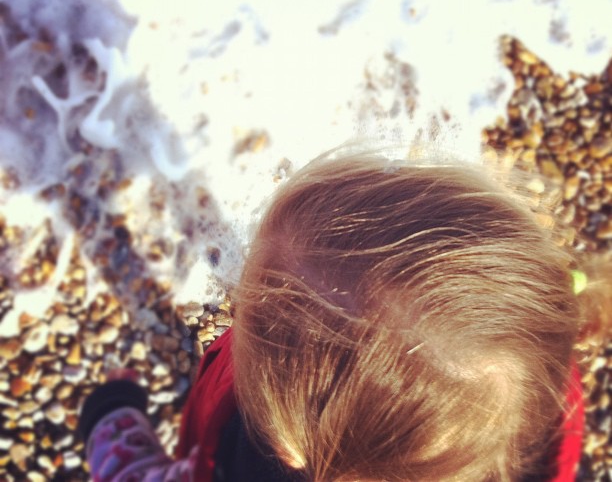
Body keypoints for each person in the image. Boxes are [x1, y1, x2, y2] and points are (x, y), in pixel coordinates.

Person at [78, 151, 611, 481]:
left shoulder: (239, 467)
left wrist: (112, 416)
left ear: (287, 445)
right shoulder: (517, 374)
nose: (237, 303)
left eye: (252, 315)